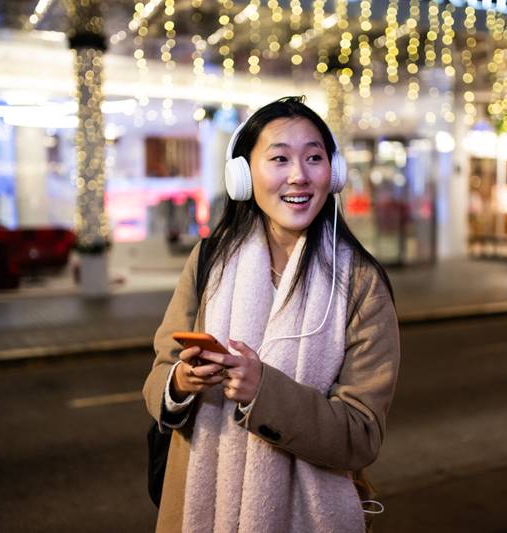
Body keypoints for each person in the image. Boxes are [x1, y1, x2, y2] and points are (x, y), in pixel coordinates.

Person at [143, 96, 400, 533]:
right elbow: (158, 379)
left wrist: (265, 390)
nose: (299, 175)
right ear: (243, 175)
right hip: (201, 508)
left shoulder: (360, 281)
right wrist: (182, 383)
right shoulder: (210, 260)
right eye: (279, 158)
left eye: (314, 158)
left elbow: (361, 434)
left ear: (333, 173)